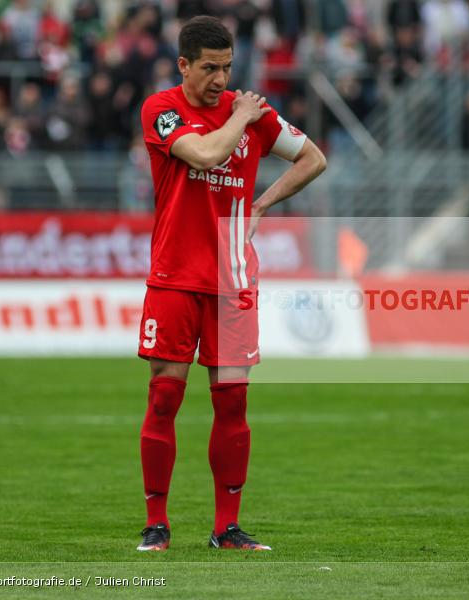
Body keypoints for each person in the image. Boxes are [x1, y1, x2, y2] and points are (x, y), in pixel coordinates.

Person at [136, 16, 327, 551]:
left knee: (233, 404)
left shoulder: (249, 115)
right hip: (174, 277)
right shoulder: (163, 110)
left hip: (233, 281)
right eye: (209, 68)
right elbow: (206, 154)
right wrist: (243, 115)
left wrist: (264, 203)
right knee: (164, 398)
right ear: (184, 65)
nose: (220, 79)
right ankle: (157, 525)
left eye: (226, 68)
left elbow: (314, 159)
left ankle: (227, 528)